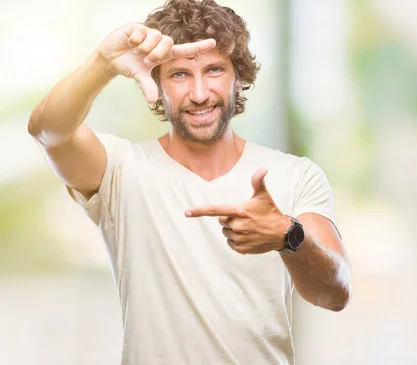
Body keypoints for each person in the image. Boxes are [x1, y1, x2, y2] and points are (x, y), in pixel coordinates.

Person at [27, 0, 351, 363]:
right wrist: (103, 63)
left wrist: (289, 236)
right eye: (179, 74)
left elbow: (334, 294)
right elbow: (46, 130)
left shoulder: (295, 174)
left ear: (238, 76)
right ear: (156, 82)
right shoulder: (120, 168)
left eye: (214, 70)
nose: (199, 94)